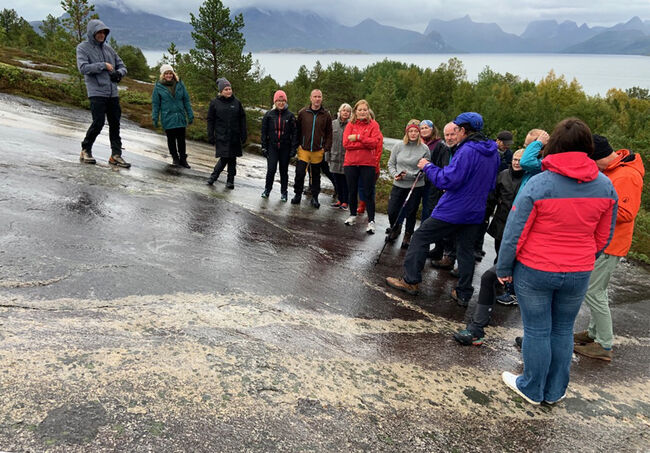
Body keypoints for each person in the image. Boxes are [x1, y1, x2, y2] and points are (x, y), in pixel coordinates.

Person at [498, 118, 617, 406]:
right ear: (587, 147)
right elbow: (604, 235)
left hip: (535, 269)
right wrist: (586, 257)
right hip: (578, 270)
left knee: (538, 330)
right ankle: (555, 390)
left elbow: (515, 230)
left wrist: (504, 266)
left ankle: (532, 388)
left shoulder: (540, 183)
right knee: (563, 329)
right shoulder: (605, 186)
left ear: (555, 146)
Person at [385, 112, 500, 305]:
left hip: (454, 209)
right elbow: (490, 184)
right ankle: (463, 292)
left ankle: (410, 281)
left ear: (463, 130)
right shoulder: (493, 152)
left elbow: (448, 179)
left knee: (420, 237)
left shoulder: (467, 150)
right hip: (476, 210)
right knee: (465, 250)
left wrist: (428, 166)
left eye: (457, 129)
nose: (454, 133)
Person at [574, 134, 644, 361]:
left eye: (592, 161)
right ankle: (594, 333)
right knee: (599, 290)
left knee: (593, 291)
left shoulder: (627, 175)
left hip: (612, 244)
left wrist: (593, 205)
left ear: (600, 158)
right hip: (605, 241)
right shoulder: (614, 171)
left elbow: (626, 212)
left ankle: (603, 344)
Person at [76, 19, 130, 168]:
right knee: (98, 122)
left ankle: (116, 155)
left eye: (103, 32)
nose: (101, 35)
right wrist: (103, 66)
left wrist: (118, 73)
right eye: (98, 32)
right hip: (96, 92)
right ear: (92, 33)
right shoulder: (83, 48)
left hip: (112, 93)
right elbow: (83, 68)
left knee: (115, 124)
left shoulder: (109, 49)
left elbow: (123, 66)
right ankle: (86, 149)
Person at [386, 120, 430, 248]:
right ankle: (395, 228)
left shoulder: (424, 148)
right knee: (392, 210)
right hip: (399, 183)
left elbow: (426, 167)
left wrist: (415, 175)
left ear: (419, 133)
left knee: (411, 211)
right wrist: (395, 174)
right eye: (411, 131)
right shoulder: (398, 146)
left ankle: (408, 235)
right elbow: (391, 164)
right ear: (407, 132)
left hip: (415, 185)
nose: (413, 133)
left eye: (416, 131)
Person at [342, 99, 382, 234]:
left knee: (368, 192)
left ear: (368, 111)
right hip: (351, 163)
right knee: (352, 190)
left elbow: (374, 143)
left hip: (368, 164)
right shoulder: (350, 125)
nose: (362, 112)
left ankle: (371, 221)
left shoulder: (374, 125)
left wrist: (358, 137)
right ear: (356, 111)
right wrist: (364, 142)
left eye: (365, 109)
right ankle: (352, 215)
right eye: (360, 110)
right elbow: (346, 144)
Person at [291, 89, 333, 208]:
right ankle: (297, 194)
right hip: (303, 149)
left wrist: (326, 148)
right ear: (311, 98)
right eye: (315, 96)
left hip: (318, 150)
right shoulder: (303, 112)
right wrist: (297, 145)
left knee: (315, 176)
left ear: (322, 98)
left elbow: (329, 134)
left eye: (319, 97)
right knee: (299, 173)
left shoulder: (326, 115)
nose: (317, 99)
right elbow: (297, 130)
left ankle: (314, 197)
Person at [429, 122, 460, 270]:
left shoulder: (463, 150)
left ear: (460, 133)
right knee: (439, 221)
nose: (449, 138)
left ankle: (450, 257)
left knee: (453, 228)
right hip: (440, 187)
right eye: (447, 135)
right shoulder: (442, 147)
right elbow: (434, 165)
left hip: (455, 192)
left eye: (452, 134)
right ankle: (439, 249)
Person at [206, 78, 247, 189]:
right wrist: (210, 134)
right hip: (221, 135)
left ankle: (230, 181)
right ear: (221, 91)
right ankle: (213, 177)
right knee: (224, 157)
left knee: (232, 158)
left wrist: (243, 134)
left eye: (230, 89)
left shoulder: (237, 103)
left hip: (234, 136)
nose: (229, 91)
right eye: (226, 89)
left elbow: (242, 119)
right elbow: (210, 120)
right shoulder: (215, 103)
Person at [151, 64, 194, 168]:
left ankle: (183, 159)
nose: (169, 75)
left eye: (170, 73)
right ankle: (175, 158)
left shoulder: (180, 84)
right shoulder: (158, 87)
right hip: (167, 116)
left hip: (180, 115)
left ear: (173, 74)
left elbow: (186, 100)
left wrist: (190, 114)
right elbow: (156, 104)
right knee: (171, 139)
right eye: (166, 73)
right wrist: (155, 117)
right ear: (163, 75)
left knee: (181, 139)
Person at [260, 90, 298, 201]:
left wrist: (293, 149)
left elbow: (295, 133)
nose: (281, 103)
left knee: (283, 171)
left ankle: (284, 193)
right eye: (278, 101)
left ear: (285, 102)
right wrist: (264, 146)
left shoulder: (290, 116)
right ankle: (267, 190)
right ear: (275, 102)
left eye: (283, 101)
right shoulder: (269, 115)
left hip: (285, 147)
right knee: (271, 170)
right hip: (272, 147)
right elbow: (264, 132)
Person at [328, 103, 352, 209]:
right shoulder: (333, 124)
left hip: (346, 158)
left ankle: (345, 201)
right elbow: (328, 140)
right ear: (339, 112)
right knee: (336, 180)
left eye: (347, 111)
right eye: (343, 110)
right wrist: (327, 155)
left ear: (350, 114)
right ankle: (340, 199)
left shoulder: (352, 125)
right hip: (334, 157)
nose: (345, 113)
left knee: (345, 181)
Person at [419, 120, 442, 221]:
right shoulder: (418, 143)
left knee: (427, 207)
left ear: (432, 129)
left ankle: (424, 231)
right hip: (417, 179)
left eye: (426, 128)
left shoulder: (439, 144)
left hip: (430, 181)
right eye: (422, 128)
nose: (424, 130)